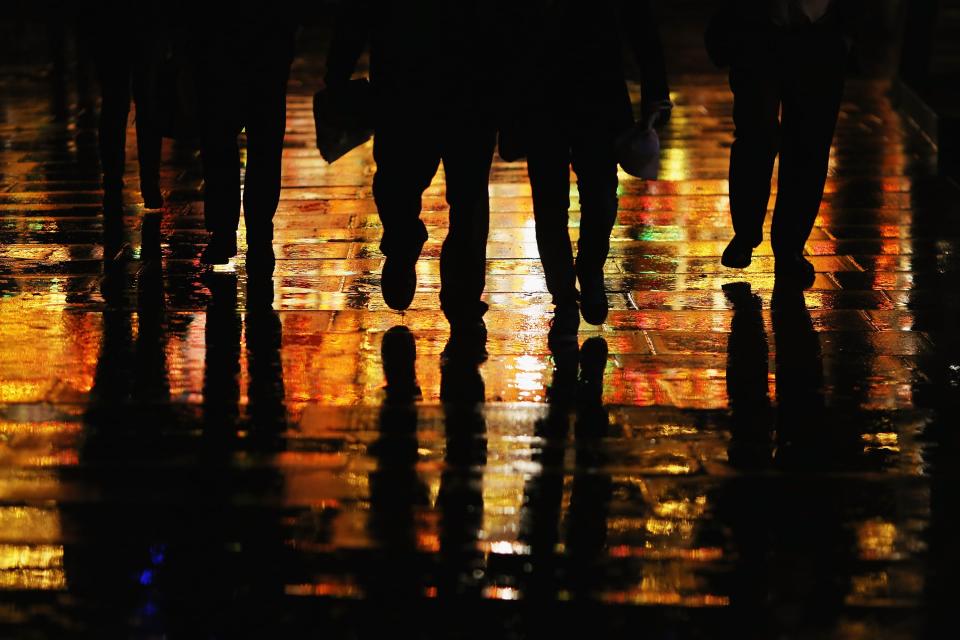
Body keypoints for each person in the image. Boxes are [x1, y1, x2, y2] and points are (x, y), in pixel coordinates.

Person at [324, 1, 497, 345]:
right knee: (467, 198)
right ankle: (460, 299)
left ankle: (404, 243)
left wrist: (337, 73)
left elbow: (356, 15)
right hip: (468, 85)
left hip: (405, 83)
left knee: (400, 183)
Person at [519, 0, 666, 345]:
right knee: (552, 199)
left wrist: (656, 91)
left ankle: (588, 268)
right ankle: (565, 294)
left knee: (596, 195)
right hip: (550, 93)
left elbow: (640, 22)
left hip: (593, 91)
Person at [710, 0, 858, 288]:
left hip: (819, 35)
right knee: (757, 134)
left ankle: (787, 247)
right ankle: (748, 232)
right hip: (760, 31)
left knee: (807, 145)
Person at [190, 9, 297, 269]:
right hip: (266, 49)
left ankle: (225, 232)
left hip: (221, 48)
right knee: (264, 149)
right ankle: (257, 235)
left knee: (220, 145)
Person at [87, 3, 164, 213]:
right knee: (146, 104)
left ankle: (113, 181)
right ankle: (149, 183)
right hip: (143, 23)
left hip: (109, 25)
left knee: (114, 104)